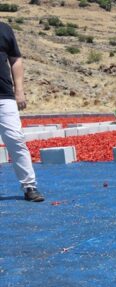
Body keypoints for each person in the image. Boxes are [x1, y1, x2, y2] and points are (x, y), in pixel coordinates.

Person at [0, 21, 43, 202]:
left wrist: (19, 90)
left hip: (4, 96)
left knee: (16, 139)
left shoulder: (4, 29)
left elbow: (15, 60)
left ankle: (29, 186)